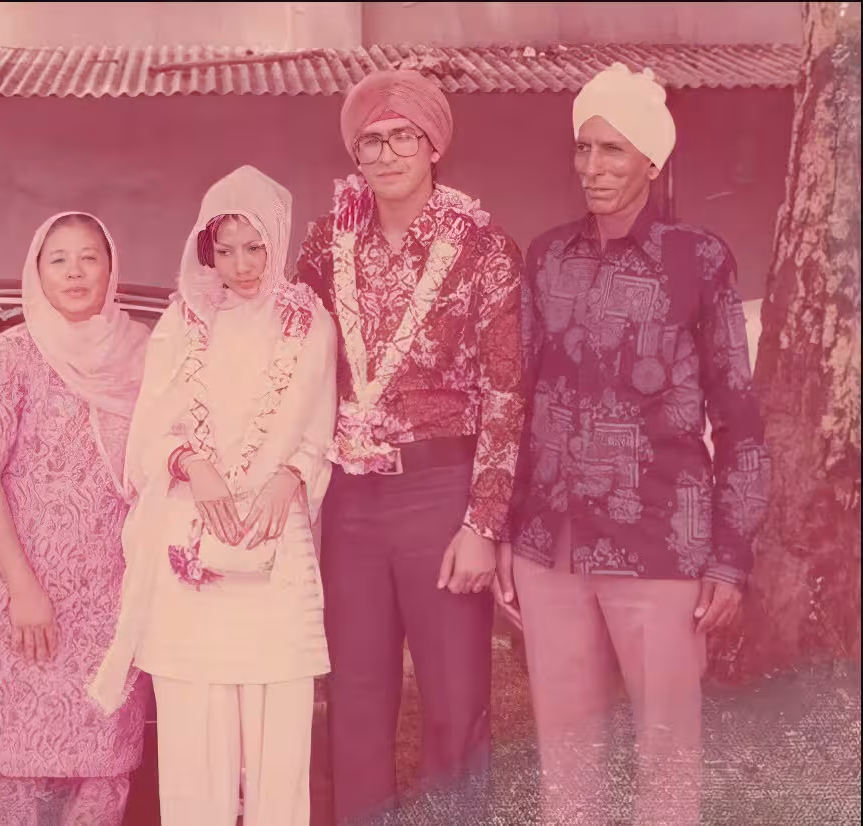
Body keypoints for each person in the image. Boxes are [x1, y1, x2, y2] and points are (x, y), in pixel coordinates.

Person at [500, 63, 772, 825]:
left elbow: (739, 416)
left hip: (661, 545)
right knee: (568, 764)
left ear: (652, 161)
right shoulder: (547, 257)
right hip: (550, 548)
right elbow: (519, 402)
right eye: (584, 149)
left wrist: (731, 554)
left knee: (666, 769)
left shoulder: (699, 260)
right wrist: (504, 527)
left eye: (613, 151)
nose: (593, 168)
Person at [295, 70, 524, 823]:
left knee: (456, 700)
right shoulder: (327, 244)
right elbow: (287, 354)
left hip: (440, 493)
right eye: (371, 139)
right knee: (355, 700)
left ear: (433, 146)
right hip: (352, 502)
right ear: (354, 153)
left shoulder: (484, 248)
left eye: (404, 137)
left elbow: (506, 392)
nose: (387, 152)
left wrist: (482, 524)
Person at [90, 166, 336, 826]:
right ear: (206, 250)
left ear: (277, 242)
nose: (241, 264)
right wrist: (190, 463)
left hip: (271, 541)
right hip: (189, 548)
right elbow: (145, 441)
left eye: (254, 247)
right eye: (224, 249)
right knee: (194, 739)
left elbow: (321, 429)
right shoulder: (182, 322)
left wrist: (291, 476)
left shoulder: (310, 322)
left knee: (279, 736)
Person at [0, 212, 151, 826]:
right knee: (15, 770)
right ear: (37, 271)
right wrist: (23, 590)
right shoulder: (12, 355)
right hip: (24, 595)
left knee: (100, 773)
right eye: (58, 258)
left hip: (112, 598)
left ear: (111, 268)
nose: (76, 270)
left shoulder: (144, 354)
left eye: (89, 256)